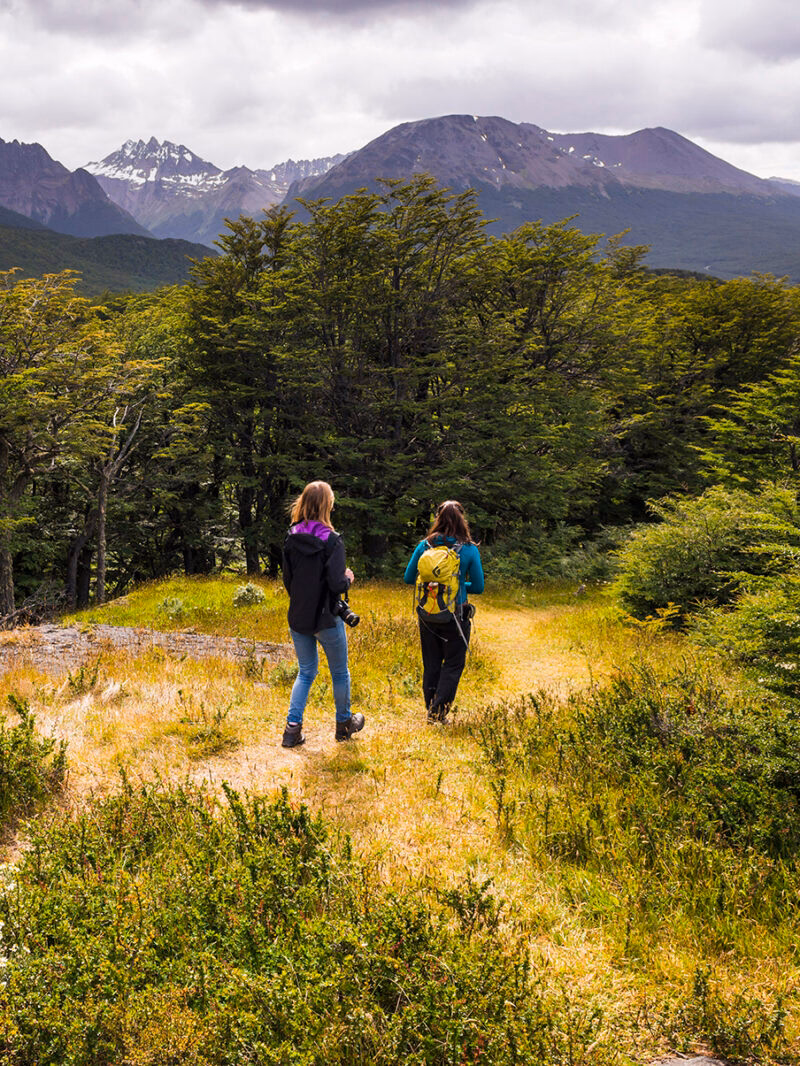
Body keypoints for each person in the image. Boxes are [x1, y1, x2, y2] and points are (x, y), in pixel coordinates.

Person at [280, 480, 365, 747]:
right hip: (327, 616)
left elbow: (288, 580)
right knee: (340, 673)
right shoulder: (333, 540)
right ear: (327, 505)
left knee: (305, 672)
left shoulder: (291, 536)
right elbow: (336, 584)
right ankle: (343, 725)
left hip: (299, 616)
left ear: (303, 502)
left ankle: (292, 731)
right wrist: (348, 579)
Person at [403, 500, 484, 723]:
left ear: (437, 518)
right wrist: (456, 586)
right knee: (453, 663)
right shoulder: (468, 549)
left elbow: (409, 578)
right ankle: (438, 713)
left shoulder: (424, 546)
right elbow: (478, 587)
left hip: (428, 613)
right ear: (462, 519)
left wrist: (436, 588)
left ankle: (431, 706)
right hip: (456, 615)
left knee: (431, 662)